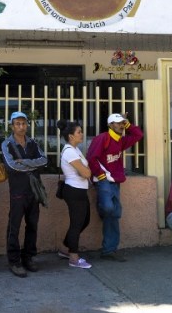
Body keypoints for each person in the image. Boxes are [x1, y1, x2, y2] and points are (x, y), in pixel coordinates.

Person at [86, 113, 143, 262]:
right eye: (117, 123)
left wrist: (129, 124)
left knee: (115, 214)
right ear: (110, 125)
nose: (121, 126)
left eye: (122, 123)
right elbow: (91, 157)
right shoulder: (103, 138)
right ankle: (102, 209)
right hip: (103, 180)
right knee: (109, 209)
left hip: (115, 182)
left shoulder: (121, 141)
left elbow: (138, 135)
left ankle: (109, 249)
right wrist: (101, 175)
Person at [2, 111, 48, 278]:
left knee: (32, 225)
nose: (21, 127)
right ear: (12, 126)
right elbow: (12, 166)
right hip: (17, 192)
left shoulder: (33, 143)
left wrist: (25, 162)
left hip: (33, 191)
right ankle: (14, 261)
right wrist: (31, 165)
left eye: (24, 123)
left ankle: (28, 257)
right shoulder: (6, 144)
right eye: (17, 124)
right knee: (14, 226)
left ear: (27, 125)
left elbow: (44, 160)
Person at [56, 119, 92, 269]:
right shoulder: (70, 151)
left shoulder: (75, 149)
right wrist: (88, 171)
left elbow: (85, 173)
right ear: (71, 136)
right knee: (77, 223)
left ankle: (66, 248)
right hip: (74, 190)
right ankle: (73, 257)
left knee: (84, 220)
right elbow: (86, 173)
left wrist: (87, 172)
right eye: (79, 132)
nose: (82, 134)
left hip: (80, 190)